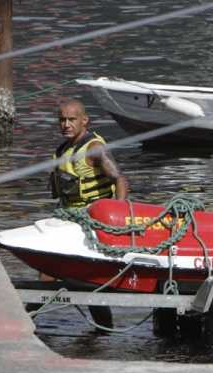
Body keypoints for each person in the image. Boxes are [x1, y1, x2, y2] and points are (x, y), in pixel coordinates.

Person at [43, 99, 129, 331]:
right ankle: (103, 328)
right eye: (62, 120)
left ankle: (30, 318)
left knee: (58, 271)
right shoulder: (62, 149)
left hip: (90, 219)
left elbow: (119, 179)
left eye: (71, 119)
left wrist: (117, 215)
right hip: (68, 218)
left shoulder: (93, 148)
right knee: (67, 274)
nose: (66, 124)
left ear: (84, 121)